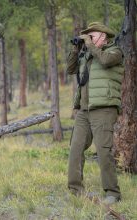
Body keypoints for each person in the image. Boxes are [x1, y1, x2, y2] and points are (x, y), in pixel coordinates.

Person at [66, 22, 124, 205]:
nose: (88, 38)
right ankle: (76, 190)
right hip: (84, 110)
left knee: (103, 151)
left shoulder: (115, 52)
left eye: (92, 35)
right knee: (75, 149)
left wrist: (89, 46)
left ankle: (113, 193)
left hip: (104, 109)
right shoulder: (87, 54)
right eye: (87, 36)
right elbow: (70, 70)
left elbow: (105, 61)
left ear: (104, 37)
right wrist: (76, 50)